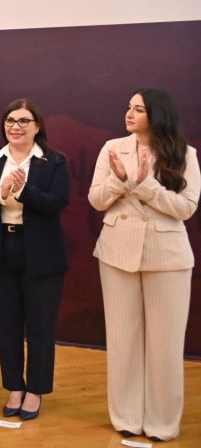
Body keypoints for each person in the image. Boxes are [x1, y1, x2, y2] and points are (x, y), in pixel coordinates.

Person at [88, 88, 199, 442]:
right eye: (129, 107)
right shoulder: (112, 148)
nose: (129, 113)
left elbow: (186, 208)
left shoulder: (185, 154)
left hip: (168, 257)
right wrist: (119, 180)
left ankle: (162, 423)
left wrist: (145, 184)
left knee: (165, 346)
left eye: (139, 109)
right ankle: (126, 418)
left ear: (157, 114)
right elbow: (96, 200)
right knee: (123, 341)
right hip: (116, 253)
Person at [0, 99, 69, 421]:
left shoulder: (54, 161)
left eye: (24, 121)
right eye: (10, 120)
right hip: (0, 248)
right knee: (6, 323)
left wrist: (23, 192)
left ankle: (35, 390)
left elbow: (58, 202)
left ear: (37, 126)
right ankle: (14, 387)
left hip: (41, 252)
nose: (16, 126)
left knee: (40, 325)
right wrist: (1, 192)